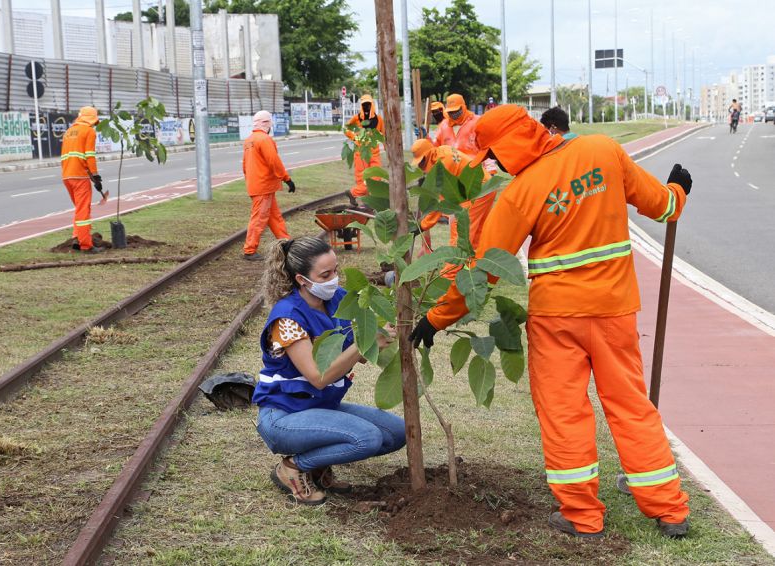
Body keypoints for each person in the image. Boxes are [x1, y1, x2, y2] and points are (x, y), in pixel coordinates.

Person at [410, 105, 693, 539]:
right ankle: (669, 510)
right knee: (631, 405)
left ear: (510, 145)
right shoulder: (604, 150)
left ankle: (582, 516)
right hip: (614, 310)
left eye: (494, 155)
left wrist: (435, 318)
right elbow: (662, 206)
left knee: (563, 413)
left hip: (556, 318)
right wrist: (678, 189)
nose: (494, 164)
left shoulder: (521, 192)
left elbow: (484, 269)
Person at [253, 236, 405, 505]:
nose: (334, 279)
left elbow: (355, 356)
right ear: (302, 279)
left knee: (397, 433)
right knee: (367, 438)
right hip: (285, 416)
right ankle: (294, 467)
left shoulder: (339, 300)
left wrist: (381, 336)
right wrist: (364, 343)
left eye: (335, 270)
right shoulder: (287, 318)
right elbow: (318, 377)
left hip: (321, 409)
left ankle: (319, 466)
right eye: (325, 275)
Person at [410, 138, 497, 272]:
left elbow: (440, 204)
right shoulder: (441, 152)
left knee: (461, 230)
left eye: (422, 162)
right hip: (483, 187)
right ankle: (474, 269)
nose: (421, 166)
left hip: (478, 191)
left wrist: (422, 225)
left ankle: (451, 273)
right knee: (475, 235)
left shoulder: (444, 164)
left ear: (430, 154)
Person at [242, 110, 296, 261]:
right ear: (266, 123)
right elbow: (274, 161)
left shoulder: (249, 140)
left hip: (258, 184)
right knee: (259, 218)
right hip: (263, 185)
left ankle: (286, 242)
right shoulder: (264, 140)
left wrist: (251, 181)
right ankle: (249, 250)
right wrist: (287, 179)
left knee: (274, 217)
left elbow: (245, 166)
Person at [61, 106, 107, 253]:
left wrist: (92, 178)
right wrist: (95, 175)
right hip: (80, 176)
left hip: (67, 176)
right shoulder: (89, 131)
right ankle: (86, 245)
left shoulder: (68, 132)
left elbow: (74, 157)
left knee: (79, 209)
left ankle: (76, 238)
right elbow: (89, 156)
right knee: (83, 211)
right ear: (92, 119)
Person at [344, 94, 385, 204]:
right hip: (361, 153)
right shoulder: (356, 118)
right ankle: (366, 201)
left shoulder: (379, 120)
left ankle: (353, 193)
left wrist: (387, 148)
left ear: (372, 105)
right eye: (364, 105)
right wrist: (354, 137)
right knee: (361, 180)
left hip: (374, 153)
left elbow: (384, 135)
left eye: (368, 104)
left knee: (376, 179)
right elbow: (346, 129)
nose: (366, 107)